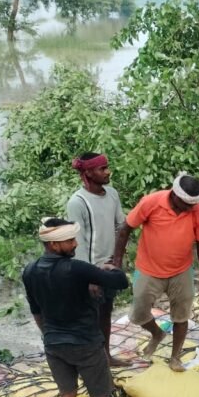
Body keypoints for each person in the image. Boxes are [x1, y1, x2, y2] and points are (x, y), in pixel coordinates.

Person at [23, 218, 129, 397]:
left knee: (67, 393)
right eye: (69, 240)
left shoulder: (29, 271)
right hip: (86, 344)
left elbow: (36, 310)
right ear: (53, 244)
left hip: (54, 345)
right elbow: (121, 282)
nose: (75, 244)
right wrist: (108, 268)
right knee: (99, 396)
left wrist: (49, 335)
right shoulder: (77, 268)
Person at [113, 173, 199, 372]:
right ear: (175, 195)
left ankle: (175, 357)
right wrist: (117, 262)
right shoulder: (151, 202)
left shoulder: (197, 212)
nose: (191, 208)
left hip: (181, 271)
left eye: (193, 204)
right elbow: (125, 229)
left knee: (181, 316)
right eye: (187, 204)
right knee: (138, 313)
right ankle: (157, 334)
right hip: (148, 269)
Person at [66, 152, 130, 367]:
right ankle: (89, 362)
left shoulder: (111, 193)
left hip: (109, 266)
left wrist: (118, 259)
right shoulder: (78, 202)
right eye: (102, 169)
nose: (107, 172)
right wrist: (90, 277)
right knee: (88, 318)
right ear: (88, 173)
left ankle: (106, 357)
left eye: (106, 167)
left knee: (105, 313)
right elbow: (78, 242)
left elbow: (120, 225)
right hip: (90, 270)